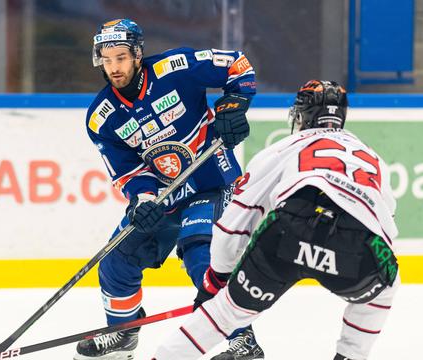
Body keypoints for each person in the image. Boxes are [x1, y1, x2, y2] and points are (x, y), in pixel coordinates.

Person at [153, 80, 400, 360]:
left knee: (224, 314)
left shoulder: (283, 148)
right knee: (384, 290)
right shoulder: (373, 159)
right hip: (355, 241)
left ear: (301, 114)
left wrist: (216, 282)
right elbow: (384, 226)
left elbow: (235, 221)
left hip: (291, 230)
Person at [76, 18, 264, 360]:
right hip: (164, 197)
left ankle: (242, 338)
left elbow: (237, 64)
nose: (114, 67)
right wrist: (143, 199)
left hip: (211, 183)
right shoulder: (101, 118)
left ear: (136, 55)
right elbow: (128, 173)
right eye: (107, 59)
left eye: (120, 57)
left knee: (202, 256)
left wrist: (233, 105)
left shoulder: (175, 68)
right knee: (116, 261)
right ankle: (123, 333)